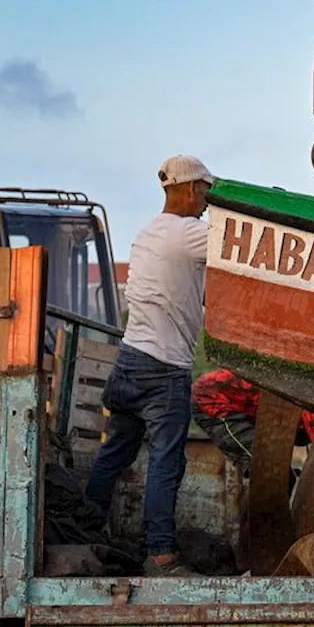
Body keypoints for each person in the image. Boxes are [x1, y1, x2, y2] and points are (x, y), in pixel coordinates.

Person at [85, 154, 214, 576]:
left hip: (129, 362)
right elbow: (242, 247)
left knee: (115, 451)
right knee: (166, 460)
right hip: (164, 369)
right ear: (192, 188)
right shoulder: (189, 234)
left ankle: (84, 530)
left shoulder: (147, 234)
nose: (208, 203)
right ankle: (160, 554)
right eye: (207, 193)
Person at [190, 367, 314, 531]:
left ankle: (272, 530)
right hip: (212, 400)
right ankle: (257, 536)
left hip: (249, 406)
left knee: (285, 477)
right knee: (269, 473)